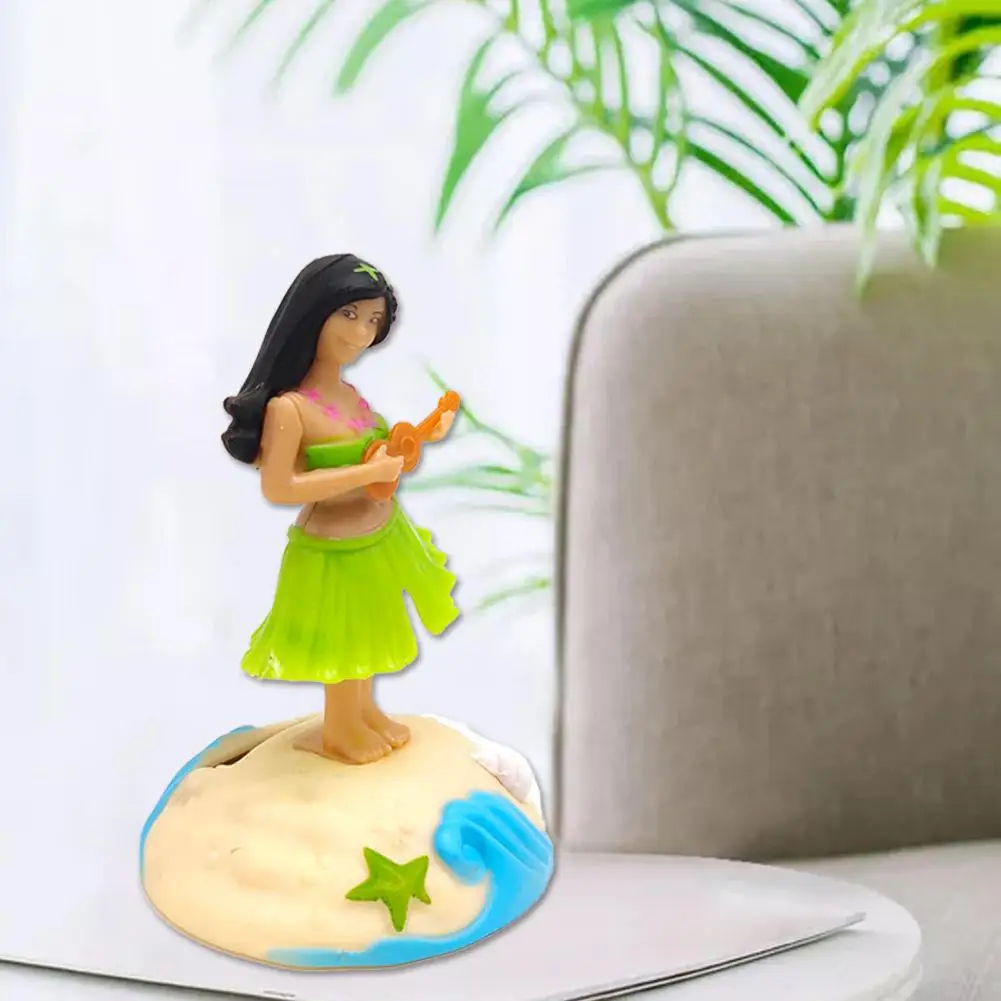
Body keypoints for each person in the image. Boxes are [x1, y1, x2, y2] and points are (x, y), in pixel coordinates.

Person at [221, 254, 458, 765]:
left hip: (380, 535)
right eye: (349, 315)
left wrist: (421, 436)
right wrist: (363, 476)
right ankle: (340, 727)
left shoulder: (351, 396)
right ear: (314, 313)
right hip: (332, 549)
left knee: (367, 632)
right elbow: (280, 487)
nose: (361, 332)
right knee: (343, 640)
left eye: (373, 320)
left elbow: (379, 456)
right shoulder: (290, 409)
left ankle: (362, 711)